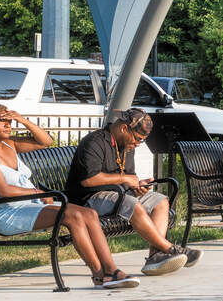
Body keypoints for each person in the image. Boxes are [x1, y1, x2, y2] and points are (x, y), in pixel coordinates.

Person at [0, 103, 138, 288]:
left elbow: (46, 141)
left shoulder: (9, 144)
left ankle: (110, 270)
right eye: (1, 120)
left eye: (9, 120)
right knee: (73, 215)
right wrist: (40, 192)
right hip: (8, 212)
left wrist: (21, 119)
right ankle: (100, 274)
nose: (8, 124)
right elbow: (3, 191)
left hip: (30, 205)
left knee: (89, 214)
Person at [65, 108, 193, 276]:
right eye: (137, 139)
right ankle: (170, 248)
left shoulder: (127, 146)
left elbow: (129, 176)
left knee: (161, 201)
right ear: (124, 128)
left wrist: (138, 186)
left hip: (118, 194)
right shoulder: (95, 142)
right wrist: (124, 179)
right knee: (133, 205)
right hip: (88, 199)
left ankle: (155, 257)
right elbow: (89, 180)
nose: (138, 144)